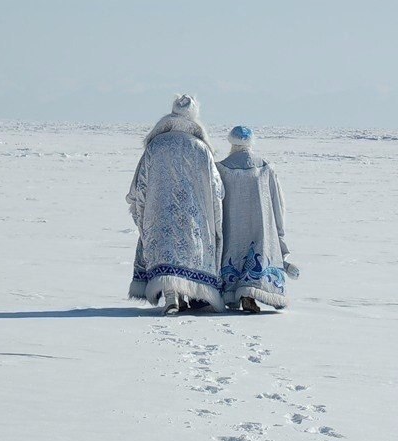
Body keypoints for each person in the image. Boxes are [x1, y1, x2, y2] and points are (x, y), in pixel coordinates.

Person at [126, 95, 225, 315]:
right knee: (192, 252)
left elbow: (139, 185)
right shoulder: (201, 148)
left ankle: (171, 296)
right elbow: (216, 188)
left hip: (160, 213)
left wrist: (142, 211)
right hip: (194, 216)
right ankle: (193, 293)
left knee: (166, 249)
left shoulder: (156, 146)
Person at [216, 126, 299, 313]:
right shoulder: (264, 167)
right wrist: (279, 232)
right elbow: (278, 203)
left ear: (231, 142)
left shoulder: (221, 168)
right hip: (262, 225)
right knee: (258, 254)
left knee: (233, 253)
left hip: (232, 225)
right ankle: (250, 294)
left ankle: (232, 294)